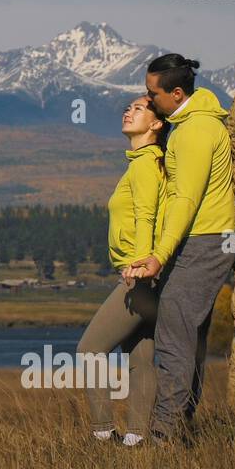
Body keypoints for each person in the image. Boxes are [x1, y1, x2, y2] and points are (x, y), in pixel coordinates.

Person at [127, 54, 235, 445]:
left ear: (176, 93)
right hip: (201, 240)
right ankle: (182, 432)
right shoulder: (191, 124)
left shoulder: (194, 132)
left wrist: (159, 254)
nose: (147, 99)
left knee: (173, 341)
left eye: (151, 93)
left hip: (203, 241)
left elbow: (186, 199)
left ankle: (163, 438)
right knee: (187, 341)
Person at [77, 95, 168, 447]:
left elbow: (147, 215)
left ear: (157, 124)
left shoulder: (146, 163)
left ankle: (102, 433)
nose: (128, 111)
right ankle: (137, 440)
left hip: (141, 275)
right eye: (128, 107)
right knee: (140, 357)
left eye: (139, 108)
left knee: (89, 350)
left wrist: (140, 261)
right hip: (148, 274)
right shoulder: (145, 162)